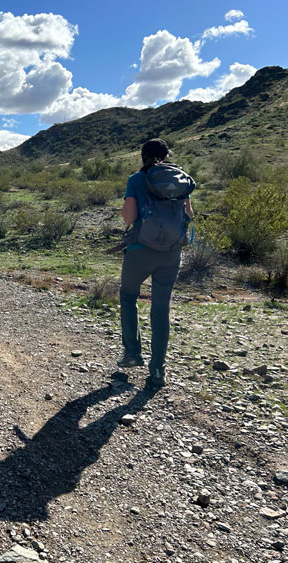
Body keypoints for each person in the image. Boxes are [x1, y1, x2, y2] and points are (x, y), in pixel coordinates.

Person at [117, 138, 193, 388]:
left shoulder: (136, 179)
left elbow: (129, 217)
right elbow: (189, 215)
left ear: (142, 156)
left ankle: (132, 353)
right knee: (161, 309)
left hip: (140, 250)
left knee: (128, 296)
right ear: (167, 155)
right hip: (170, 254)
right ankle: (158, 371)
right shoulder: (180, 178)